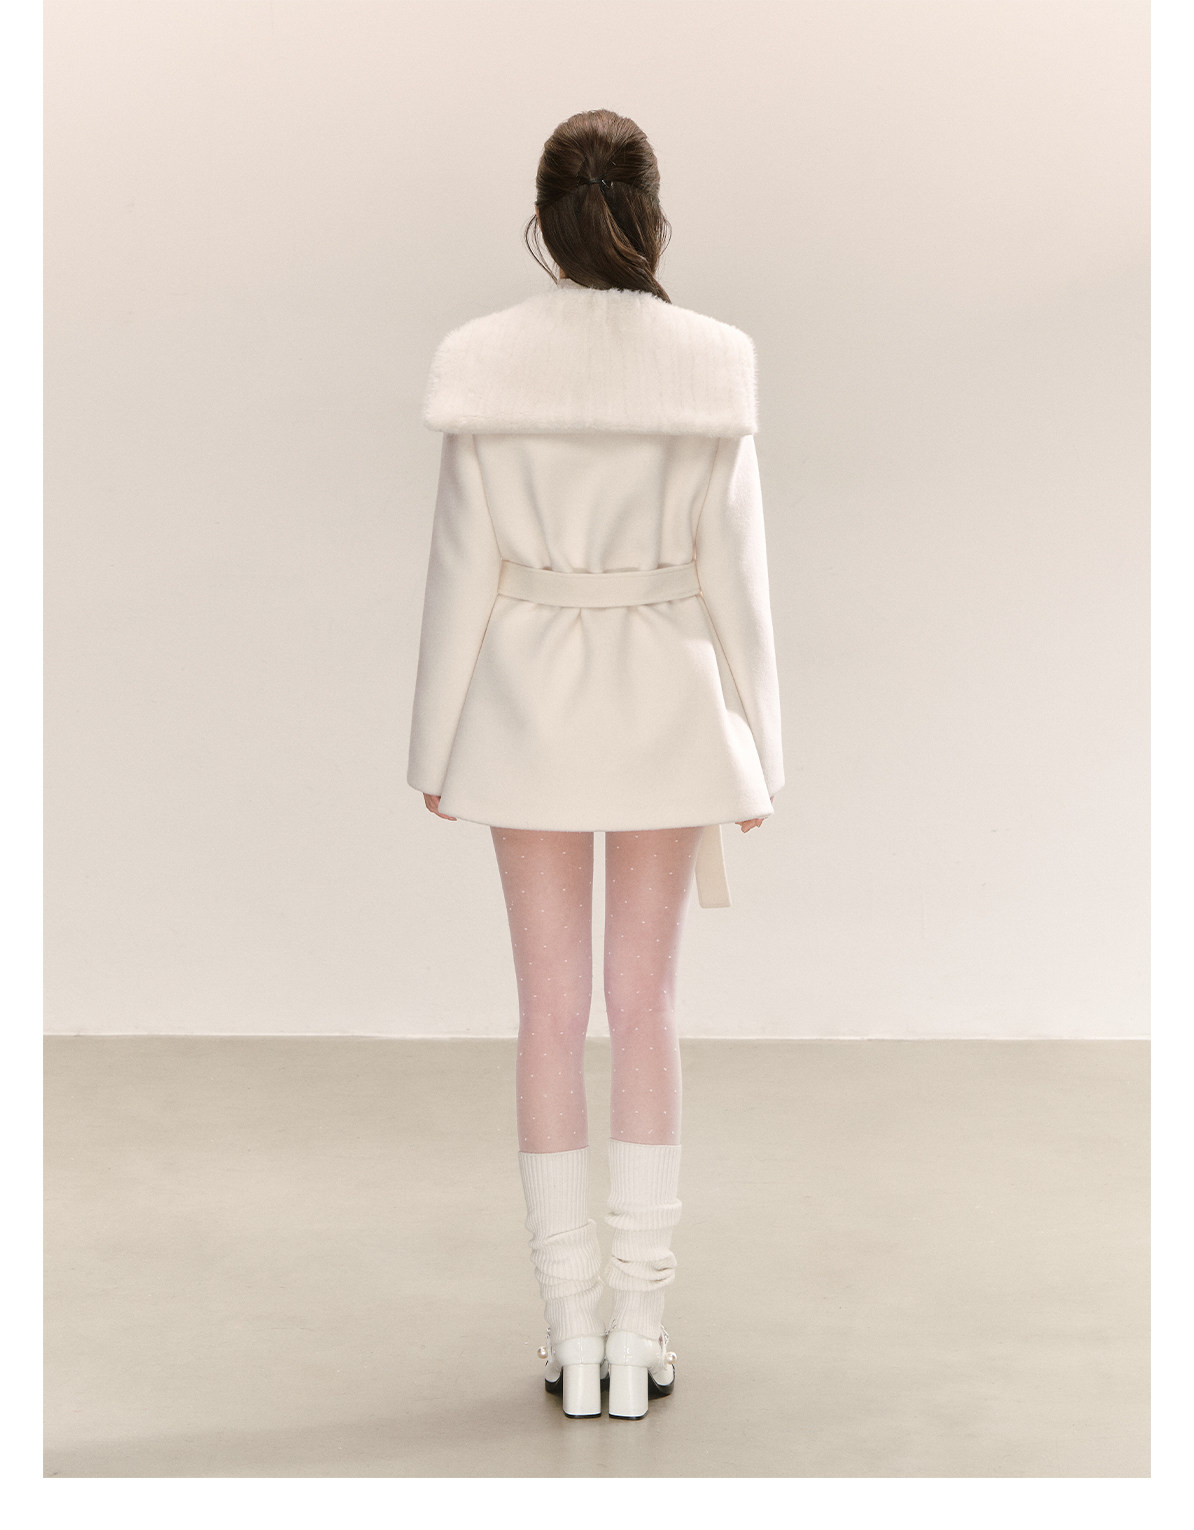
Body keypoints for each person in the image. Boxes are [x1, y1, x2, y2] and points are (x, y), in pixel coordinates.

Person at [407, 109, 783, 1420]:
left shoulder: (483, 366)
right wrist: (762, 747)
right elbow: (738, 584)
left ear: (543, 217)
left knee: (549, 1009)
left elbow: (461, 573)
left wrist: (433, 744)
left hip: (527, 711)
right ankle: (638, 1330)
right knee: (647, 1002)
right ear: (650, 212)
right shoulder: (710, 367)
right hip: (669, 704)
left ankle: (570, 1331)